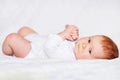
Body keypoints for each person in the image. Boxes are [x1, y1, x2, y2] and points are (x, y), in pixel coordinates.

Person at [2, 25, 119, 60]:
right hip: (39, 40)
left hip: (33, 51)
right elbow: (57, 37)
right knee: (24, 29)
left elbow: (49, 47)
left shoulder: (68, 57)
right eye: (89, 40)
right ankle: (22, 40)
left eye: (89, 50)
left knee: (12, 38)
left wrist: (64, 33)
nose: (84, 44)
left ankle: (8, 54)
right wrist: (70, 31)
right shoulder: (76, 44)